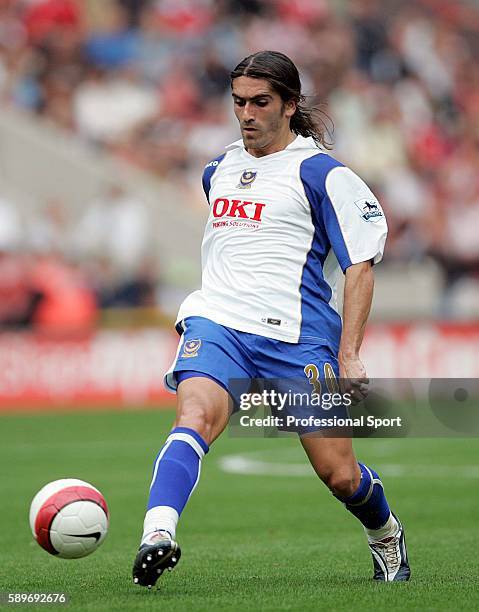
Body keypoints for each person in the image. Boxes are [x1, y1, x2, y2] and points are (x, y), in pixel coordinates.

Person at [132, 50, 410, 587]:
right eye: (238, 102)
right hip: (218, 322)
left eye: (260, 102)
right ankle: (158, 535)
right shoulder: (219, 169)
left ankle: (385, 533)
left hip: (297, 340)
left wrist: (349, 352)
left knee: (340, 475)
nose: (246, 114)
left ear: (289, 105)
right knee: (193, 416)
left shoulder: (323, 175)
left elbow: (359, 266)